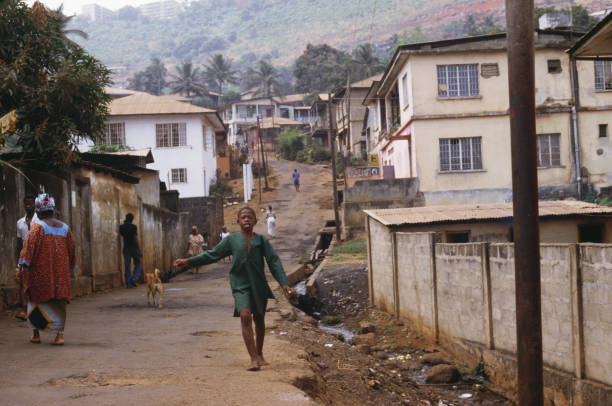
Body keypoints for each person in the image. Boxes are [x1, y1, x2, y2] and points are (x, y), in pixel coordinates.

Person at [174, 207, 293, 371]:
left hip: (258, 284)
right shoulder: (231, 240)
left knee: (259, 319)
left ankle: (259, 354)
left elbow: (274, 261)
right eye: (243, 217)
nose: (246, 220)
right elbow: (212, 254)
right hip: (240, 284)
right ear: (238, 221)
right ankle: (253, 359)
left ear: (255, 221)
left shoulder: (261, 241)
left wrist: (284, 283)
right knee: (245, 315)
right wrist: (189, 262)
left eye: (250, 217)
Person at [16, 193, 76, 345]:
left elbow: (27, 250)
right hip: (61, 274)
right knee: (58, 302)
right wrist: (70, 268)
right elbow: (72, 251)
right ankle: (59, 336)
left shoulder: (37, 228)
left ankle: (36, 335)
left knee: (35, 301)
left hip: (39, 274)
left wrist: (21, 267)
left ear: (38, 211)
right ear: (53, 209)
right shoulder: (66, 229)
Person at [15, 194, 38, 321]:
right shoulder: (20, 223)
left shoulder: (39, 221)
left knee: (36, 284)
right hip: (24, 258)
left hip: (37, 257)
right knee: (23, 284)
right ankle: (24, 310)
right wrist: (18, 262)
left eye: (30, 203)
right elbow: (19, 243)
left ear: (35, 204)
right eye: (26, 203)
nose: (28, 205)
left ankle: (35, 309)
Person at [119, 213, 142, 288]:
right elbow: (135, 238)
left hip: (126, 248)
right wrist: (139, 249)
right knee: (138, 263)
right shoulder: (134, 227)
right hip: (134, 247)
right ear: (132, 219)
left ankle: (128, 284)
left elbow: (122, 235)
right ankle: (134, 278)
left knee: (127, 265)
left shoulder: (121, 227)